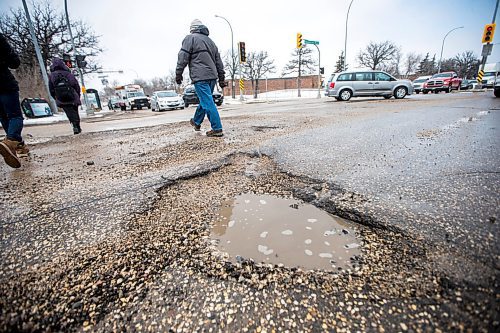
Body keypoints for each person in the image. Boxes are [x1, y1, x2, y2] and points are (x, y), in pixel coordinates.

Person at [176, 19, 226, 137]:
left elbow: (183, 56)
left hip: (200, 76)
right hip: (212, 76)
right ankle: (196, 122)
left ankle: (217, 128)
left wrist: (178, 73)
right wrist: (221, 77)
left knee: (207, 101)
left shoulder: (190, 38)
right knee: (205, 100)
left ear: (192, 29)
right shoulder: (211, 42)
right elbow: (219, 62)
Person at [0, 33, 27, 169]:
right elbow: (14, 62)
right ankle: (12, 142)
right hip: (4, 83)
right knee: (14, 116)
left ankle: (17, 146)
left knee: (4, 117)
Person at [48, 57, 82, 134]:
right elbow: (76, 85)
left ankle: (74, 125)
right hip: (72, 96)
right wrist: (77, 95)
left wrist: (55, 97)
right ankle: (77, 126)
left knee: (69, 112)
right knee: (75, 111)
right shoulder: (68, 74)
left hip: (61, 98)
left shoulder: (52, 76)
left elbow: (51, 88)